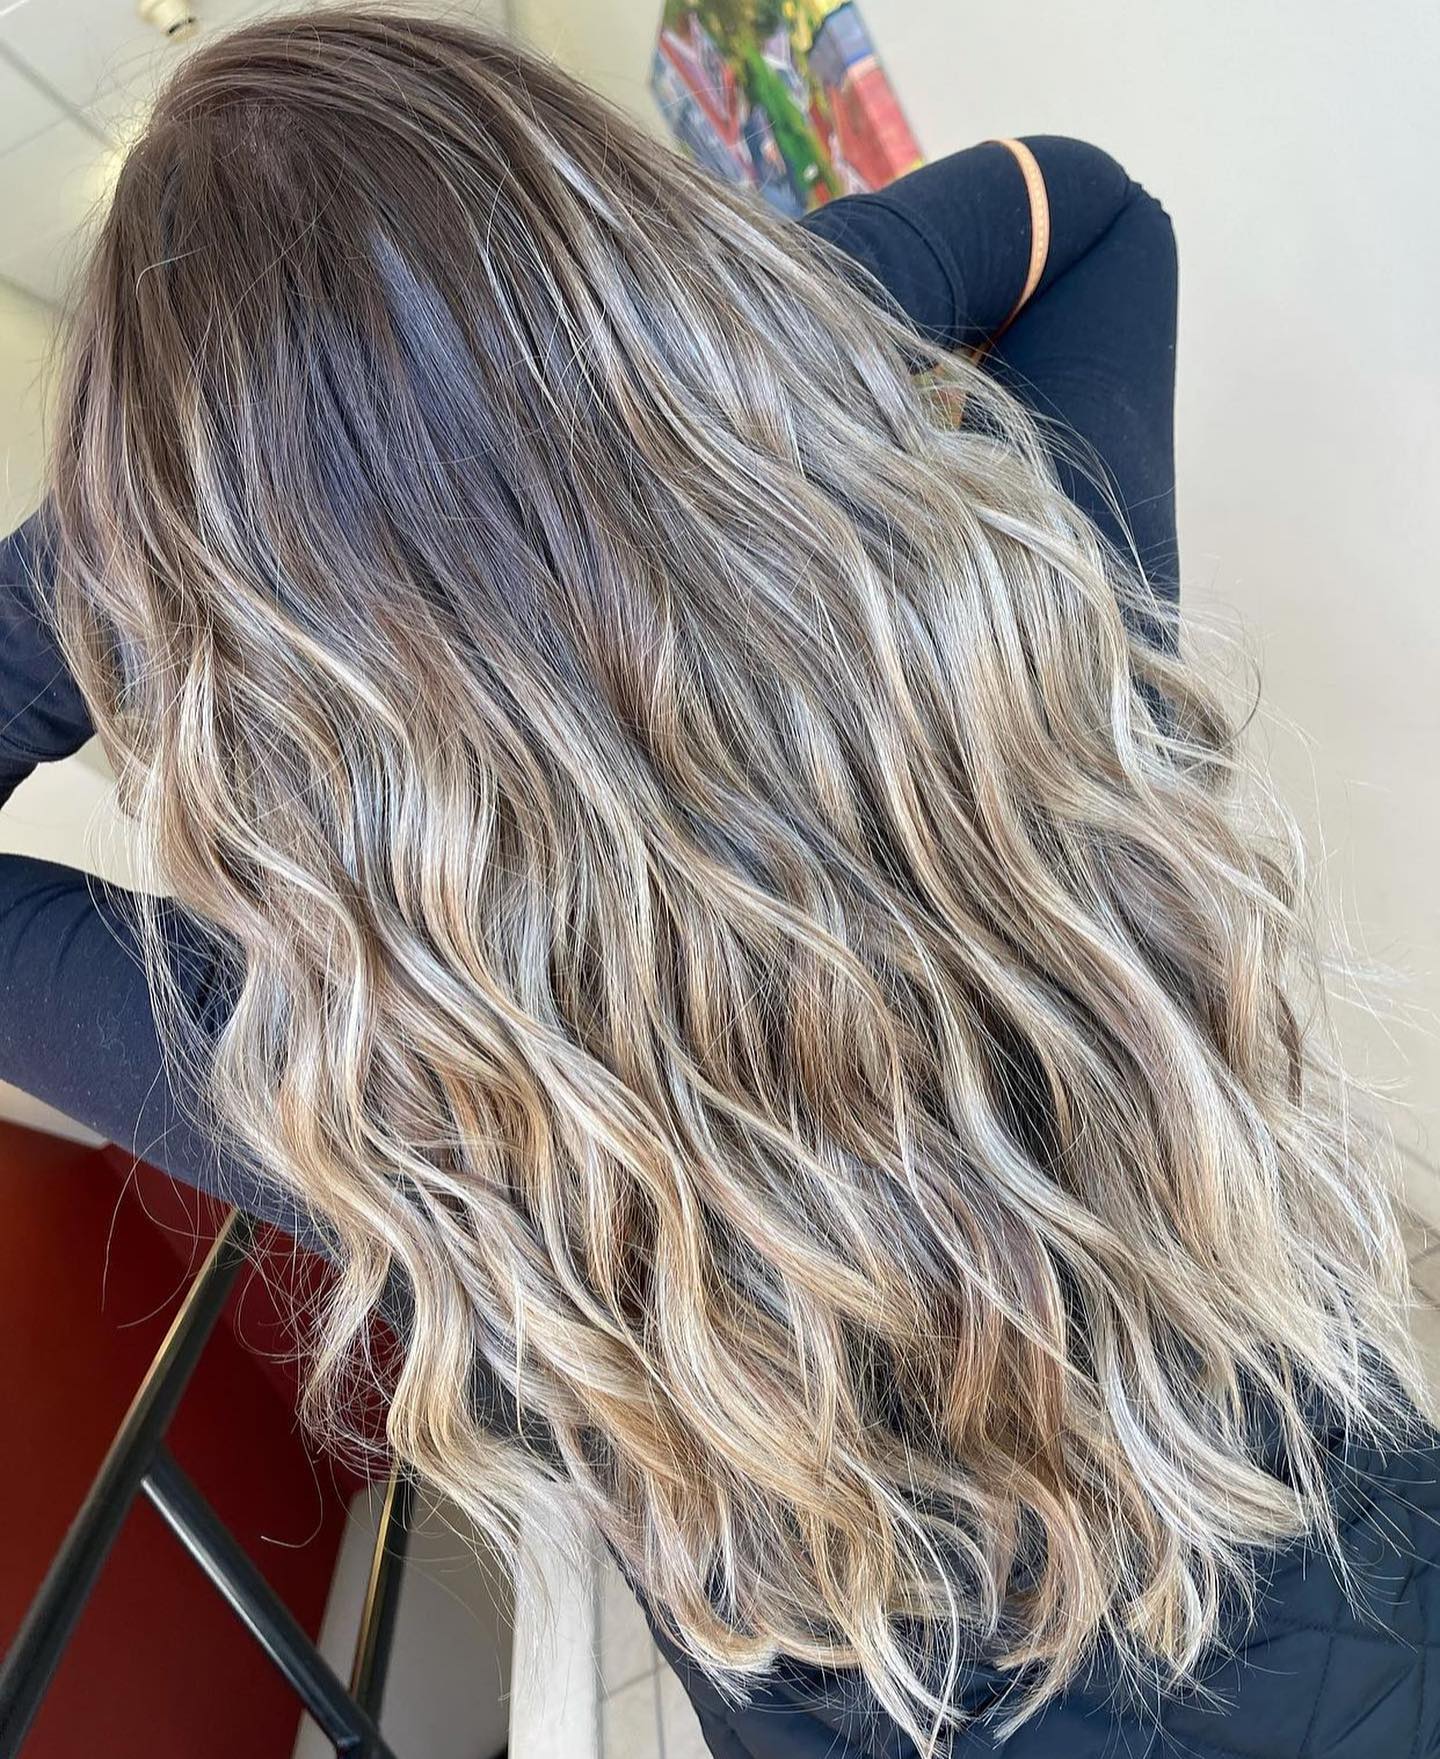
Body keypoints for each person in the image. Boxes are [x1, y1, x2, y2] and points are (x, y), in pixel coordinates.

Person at [1, 13, 1435, 1756]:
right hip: (1366, 1588)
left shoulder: (384, 1089)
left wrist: (195, 532)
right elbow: (1083, 216)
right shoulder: (1021, 710)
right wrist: (660, 358)